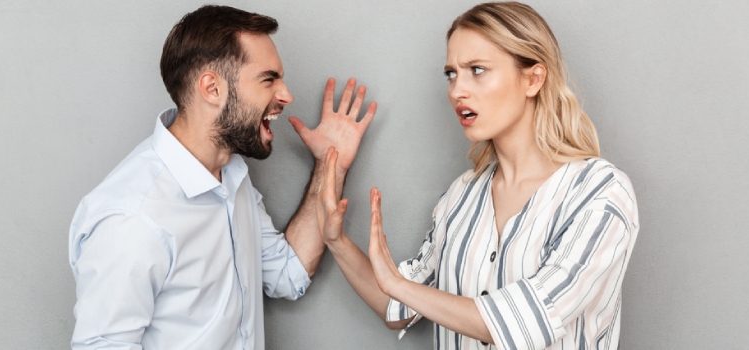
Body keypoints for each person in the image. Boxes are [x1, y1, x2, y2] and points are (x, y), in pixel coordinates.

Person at [316, 2, 639, 349]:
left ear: (533, 79)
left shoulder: (600, 193)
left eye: (478, 69)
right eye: (451, 73)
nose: (457, 90)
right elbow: (398, 306)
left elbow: (524, 324)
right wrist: (336, 242)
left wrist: (399, 286)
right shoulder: (460, 196)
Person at [67, 5, 376, 350]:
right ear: (212, 88)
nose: (286, 95)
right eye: (269, 78)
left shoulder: (232, 177)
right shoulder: (131, 218)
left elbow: (288, 274)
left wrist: (329, 166)